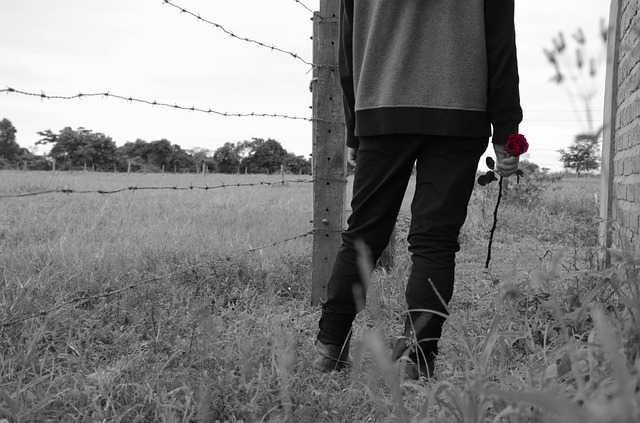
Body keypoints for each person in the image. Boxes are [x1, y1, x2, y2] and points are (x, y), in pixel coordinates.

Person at [313, 0, 523, 379]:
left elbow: (347, 45)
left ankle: (328, 348)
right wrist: (507, 130)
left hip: (381, 107)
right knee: (435, 241)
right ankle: (418, 359)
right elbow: (500, 44)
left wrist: (354, 124)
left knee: (363, 235)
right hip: (461, 111)